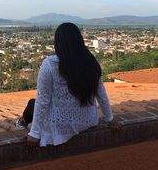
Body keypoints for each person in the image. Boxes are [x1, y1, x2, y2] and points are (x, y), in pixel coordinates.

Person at [16, 23, 120, 151]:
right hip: (87, 120)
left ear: (58, 43)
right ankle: (22, 121)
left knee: (33, 103)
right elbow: (101, 94)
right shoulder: (91, 62)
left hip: (60, 124)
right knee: (35, 103)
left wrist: (34, 133)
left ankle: (22, 123)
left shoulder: (50, 65)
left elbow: (43, 101)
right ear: (79, 40)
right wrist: (110, 118)